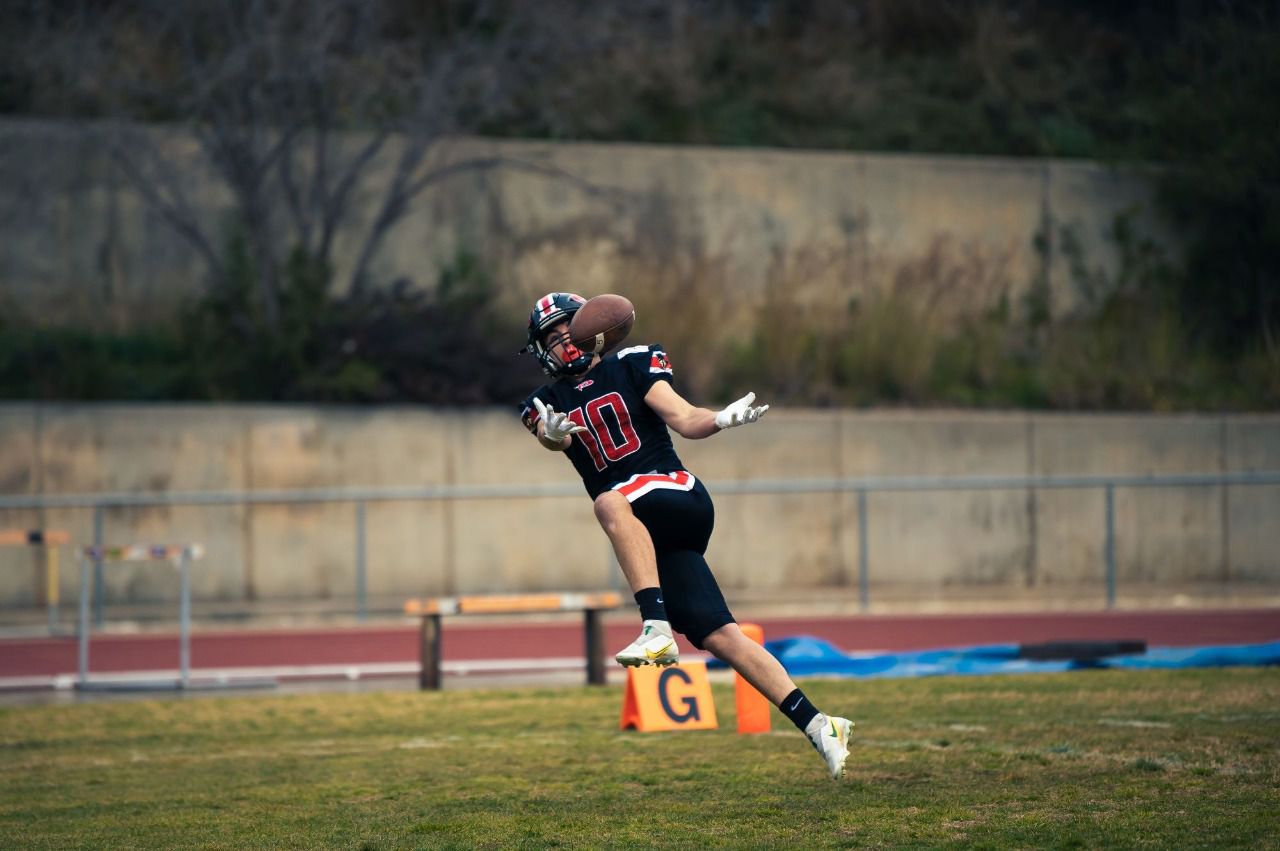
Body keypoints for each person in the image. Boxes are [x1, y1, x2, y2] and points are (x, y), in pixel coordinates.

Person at [519, 291, 853, 780]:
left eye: (570, 327)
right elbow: (559, 439)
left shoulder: (632, 362)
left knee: (608, 500)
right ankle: (821, 725)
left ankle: (655, 630)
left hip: (675, 494)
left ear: (595, 328)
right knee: (722, 637)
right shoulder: (544, 403)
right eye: (552, 336)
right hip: (648, 536)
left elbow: (682, 417)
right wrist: (551, 435)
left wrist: (719, 418)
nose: (564, 340)